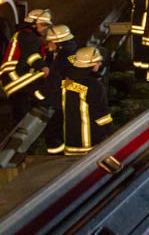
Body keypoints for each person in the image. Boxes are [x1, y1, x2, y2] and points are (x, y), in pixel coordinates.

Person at [56, 46, 112, 156]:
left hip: (70, 143)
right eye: (98, 61)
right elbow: (101, 114)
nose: (100, 64)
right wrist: (111, 133)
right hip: (90, 146)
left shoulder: (66, 81)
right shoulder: (93, 85)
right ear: (89, 64)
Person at [0, 9, 52, 123]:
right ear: (33, 24)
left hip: (13, 78)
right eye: (43, 24)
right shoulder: (28, 36)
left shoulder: (25, 35)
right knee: (49, 85)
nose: (45, 28)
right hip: (16, 78)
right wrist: (44, 68)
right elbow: (32, 57)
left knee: (20, 110)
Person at [41, 24, 79, 155]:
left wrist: (61, 89)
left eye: (50, 41)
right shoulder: (67, 53)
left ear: (58, 42)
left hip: (62, 99)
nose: (48, 44)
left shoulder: (66, 56)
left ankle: (56, 156)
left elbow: (72, 77)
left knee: (54, 130)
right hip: (63, 98)